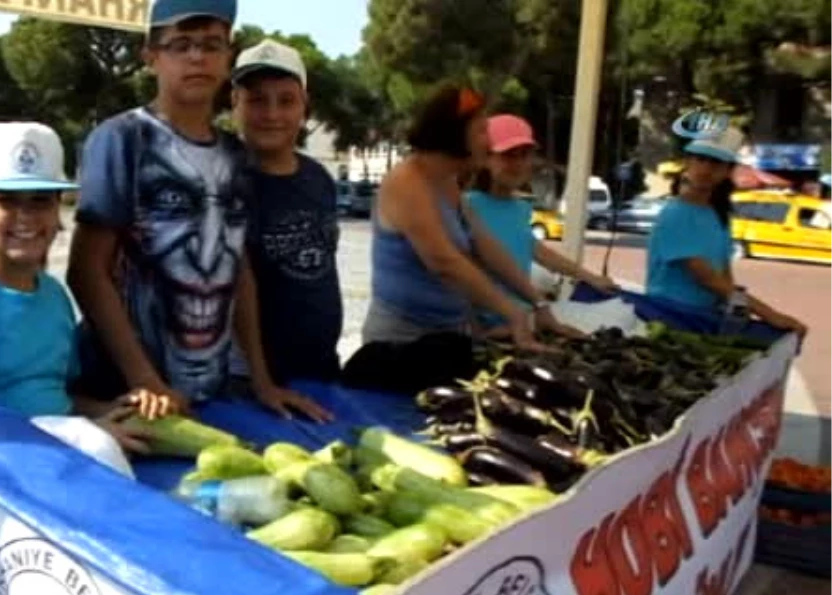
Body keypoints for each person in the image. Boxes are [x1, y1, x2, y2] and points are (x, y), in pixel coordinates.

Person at [67, 0, 328, 421]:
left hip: (208, 393)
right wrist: (144, 379)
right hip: (122, 394)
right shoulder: (121, 139)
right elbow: (86, 271)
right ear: (151, 55)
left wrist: (261, 381)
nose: (197, 57)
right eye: (181, 44)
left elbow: (237, 266)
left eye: (211, 44)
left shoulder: (236, 156)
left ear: (228, 55)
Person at [0, 122, 172, 475]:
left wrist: (108, 412)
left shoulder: (53, 295)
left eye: (41, 200)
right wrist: (82, 439)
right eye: (7, 200)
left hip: (55, 471)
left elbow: (51, 397)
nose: (25, 217)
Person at [361, 85, 571, 352]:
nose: (490, 142)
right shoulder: (407, 182)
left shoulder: (447, 182)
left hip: (449, 332)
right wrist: (513, 313)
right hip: (401, 341)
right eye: (482, 130)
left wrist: (537, 302)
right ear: (455, 134)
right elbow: (444, 262)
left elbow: (486, 246)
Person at [229, 38, 342, 384]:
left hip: (320, 368)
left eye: (286, 101)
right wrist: (262, 379)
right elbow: (236, 284)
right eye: (257, 100)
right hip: (251, 379)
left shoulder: (318, 177)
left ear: (304, 107)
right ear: (235, 103)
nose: (272, 114)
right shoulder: (225, 179)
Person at [646, 127, 806, 336]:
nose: (705, 168)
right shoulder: (675, 213)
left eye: (715, 162)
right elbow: (707, 278)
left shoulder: (719, 215)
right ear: (688, 162)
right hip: (669, 319)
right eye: (700, 159)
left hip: (705, 321)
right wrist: (771, 315)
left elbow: (724, 276)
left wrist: (738, 310)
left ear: (727, 171)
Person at [467, 114, 618, 332]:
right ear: (485, 158)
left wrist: (591, 277)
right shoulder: (466, 206)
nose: (518, 164)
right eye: (508, 155)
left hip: (521, 322)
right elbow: (452, 272)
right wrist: (477, 331)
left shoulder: (521, 208)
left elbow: (536, 250)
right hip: (485, 327)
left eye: (525, 155)